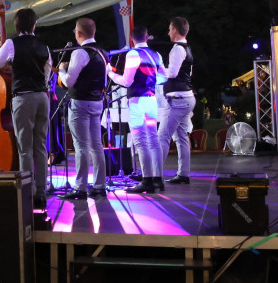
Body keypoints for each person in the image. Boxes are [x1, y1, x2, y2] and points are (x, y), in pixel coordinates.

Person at [0, 7, 52, 207]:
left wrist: (10, 65)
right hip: (42, 96)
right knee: (40, 147)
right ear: (34, 25)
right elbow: (47, 70)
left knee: (24, 149)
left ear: (16, 25)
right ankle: (41, 192)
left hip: (23, 97)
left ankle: (28, 192)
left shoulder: (12, 43)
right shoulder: (43, 45)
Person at [108, 26, 166, 194]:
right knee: (153, 140)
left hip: (137, 101)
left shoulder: (133, 54)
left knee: (141, 141)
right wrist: (150, 80)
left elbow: (127, 81)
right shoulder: (156, 55)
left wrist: (111, 74)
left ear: (132, 40)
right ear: (147, 37)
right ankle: (158, 180)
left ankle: (147, 180)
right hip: (151, 100)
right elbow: (163, 77)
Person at [57, 17, 109, 200]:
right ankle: (100, 185)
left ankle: (80, 187)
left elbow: (69, 81)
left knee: (81, 146)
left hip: (80, 102)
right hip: (97, 102)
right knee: (96, 144)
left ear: (78, 33)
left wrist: (62, 70)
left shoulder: (80, 53)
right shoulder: (102, 52)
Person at [157, 16, 196, 185]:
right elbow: (187, 73)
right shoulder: (187, 48)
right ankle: (183, 174)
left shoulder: (177, 49)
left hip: (178, 100)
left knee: (162, 136)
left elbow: (172, 73)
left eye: (169, 29)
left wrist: (158, 69)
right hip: (186, 98)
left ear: (174, 30)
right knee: (181, 137)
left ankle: (153, 176)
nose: (168, 33)